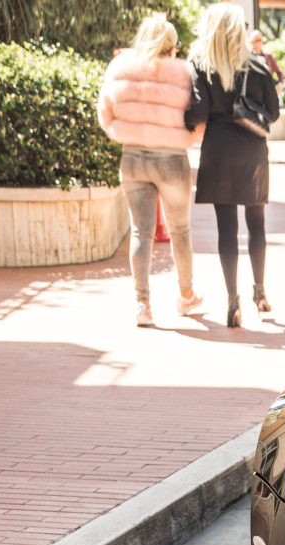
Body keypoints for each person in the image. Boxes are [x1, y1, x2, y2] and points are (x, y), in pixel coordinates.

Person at [97, 13, 205, 327]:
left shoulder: (120, 67)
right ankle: (186, 295)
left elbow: (105, 113)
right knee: (180, 231)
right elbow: (197, 115)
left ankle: (142, 305)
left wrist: (124, 134)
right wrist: (187, 139)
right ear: (171, 46)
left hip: (132, 158)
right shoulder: (183, 71)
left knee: (140, 231)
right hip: (172, 159)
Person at [185, 4, 280, 328]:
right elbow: (274, 112)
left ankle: (232, 301)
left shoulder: (201, 65)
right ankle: (261, 292)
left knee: (227, 229)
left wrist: (184, 123)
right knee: (257, 224)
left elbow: (197, 111)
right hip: (252, 150)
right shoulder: (258, 65)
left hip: (218, 151)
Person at [248, 29, 284, 94]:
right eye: (255, 40)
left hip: (266, 92)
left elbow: (279, 72)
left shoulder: (268, 56)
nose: (258, 43)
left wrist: (280, 84)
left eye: (260, 40)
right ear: (251, 41)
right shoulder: (248, 57)